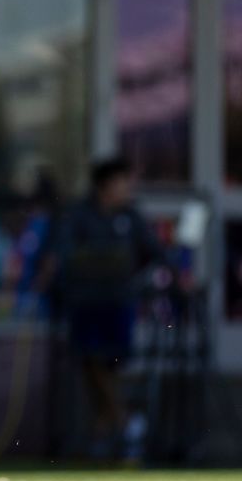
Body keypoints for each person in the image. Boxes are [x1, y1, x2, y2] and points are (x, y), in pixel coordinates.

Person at [43, 157, 162, 460]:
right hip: (86, 303)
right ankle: (122, 423)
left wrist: (177, 273)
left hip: (119, 302)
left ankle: (105, 430)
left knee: (112, 364)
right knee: (91, 359)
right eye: (122, 182)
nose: (127, 189)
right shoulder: (79, 215)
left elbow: (155, 250)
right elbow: (61, 252)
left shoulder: (131, 216)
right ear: (105, 186)